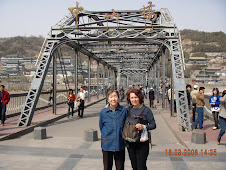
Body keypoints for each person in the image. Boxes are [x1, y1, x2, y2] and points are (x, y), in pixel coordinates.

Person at [126, 89, 156, 170]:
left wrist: (144, 126)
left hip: (142, 143)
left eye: (136, 97)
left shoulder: (146, 110)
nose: (134, 100)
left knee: (141, 166)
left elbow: (153, 125)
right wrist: (108, 106)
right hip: (131, 142)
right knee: (134, 166)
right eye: (132, 98)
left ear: (140, 97)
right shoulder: (128, 110)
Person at [99, 90, 128, 170]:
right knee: (107, 167)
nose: (113, 99)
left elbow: (126, 125)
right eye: (111, 97)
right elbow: (101, 126)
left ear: (118, 98)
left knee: (120, 167)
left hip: (120, 143)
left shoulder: (124, 111)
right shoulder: (103, 112)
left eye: (115, 96)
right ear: (108, 99)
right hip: (107, 144)